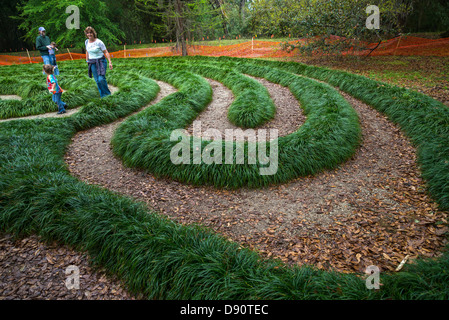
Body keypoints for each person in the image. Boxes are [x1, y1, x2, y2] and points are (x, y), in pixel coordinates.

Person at [84, 26, 113, 98]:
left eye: (90, 33)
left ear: (93, 33)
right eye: (88, 33)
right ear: (86, 34)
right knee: (97, 80)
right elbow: (87, 51)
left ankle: (108, 94)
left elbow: (106, 52)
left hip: (101, 61)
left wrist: (110, 62)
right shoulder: (86, 42)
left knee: (101, 79)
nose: (89, 34)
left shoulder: (99, 42)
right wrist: (87, 60)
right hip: (92, 62)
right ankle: (103, 96)